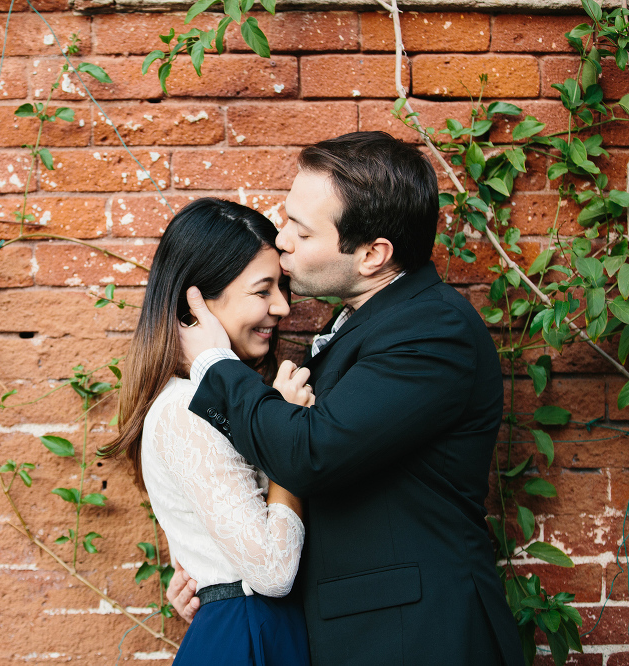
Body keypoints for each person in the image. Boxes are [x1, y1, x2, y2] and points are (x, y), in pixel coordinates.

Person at [172, 132, 524, 666]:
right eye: (286, 218)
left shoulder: (431, 330)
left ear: (372, 254)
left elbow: (309, 455)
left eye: (301, 230)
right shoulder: (366, 324)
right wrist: (220, 573)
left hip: (419, 637)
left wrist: (214, 364)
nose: (282, 239)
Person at [100, 197, 313, 666]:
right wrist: (290, 439)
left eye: (283, 287)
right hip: (250, 634)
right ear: (196, 304)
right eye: (263, 291)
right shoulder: (182, 409)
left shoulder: (208, 400)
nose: (282, 306)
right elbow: (274, 571)